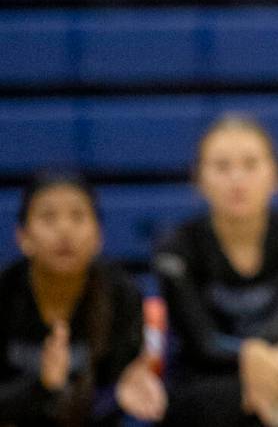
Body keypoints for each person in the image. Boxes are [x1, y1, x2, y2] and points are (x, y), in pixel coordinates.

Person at [154, 115, 278, 427]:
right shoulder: (177, 249)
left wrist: (258, 356)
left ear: (275, 175)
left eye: (250, 164)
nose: (237, 179)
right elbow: (202, 341)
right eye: (222, 167)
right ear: (198, 178)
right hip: (202, 385)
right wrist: (253, 357)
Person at [0, 173, 166, 426]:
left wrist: (136, 385)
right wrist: (42, 386)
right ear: (23, 237)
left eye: (78, 217)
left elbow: (120, 392)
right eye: (48, 217)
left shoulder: (122, 294)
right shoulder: (5, 292)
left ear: (98, 236)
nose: (64, 230)